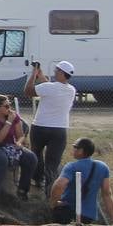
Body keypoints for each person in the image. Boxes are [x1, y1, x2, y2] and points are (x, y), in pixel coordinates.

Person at [25, 59, 78, 193]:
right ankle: (50, 190)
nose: (54, 72)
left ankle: (37, 179)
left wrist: (33, 74)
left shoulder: (49, 87)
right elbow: (50, 88)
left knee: (36, 154)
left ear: (61, 73)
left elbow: (28, 91)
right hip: (59, 130)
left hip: (40, 126)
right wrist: (41, 75)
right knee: (52, 162)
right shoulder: (71, 90)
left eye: (56, 70)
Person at [0, 94, 38, 204]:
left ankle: (23, 190)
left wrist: (19, 143)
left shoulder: (14, 116)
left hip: (11, 146)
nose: (9, 109)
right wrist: (8, 122)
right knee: (2, 160)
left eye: (10, 105)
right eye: (6, 106)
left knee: (31, 158)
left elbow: (21, 135)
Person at [49, 138, 113, 225]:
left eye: (74, 147)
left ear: (81, 150)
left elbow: (59, 185)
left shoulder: (71, 167)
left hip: (67, 211)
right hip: (88, 215)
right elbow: (107, 194)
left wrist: (54, 203)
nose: (73, 149)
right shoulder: (102, 167)